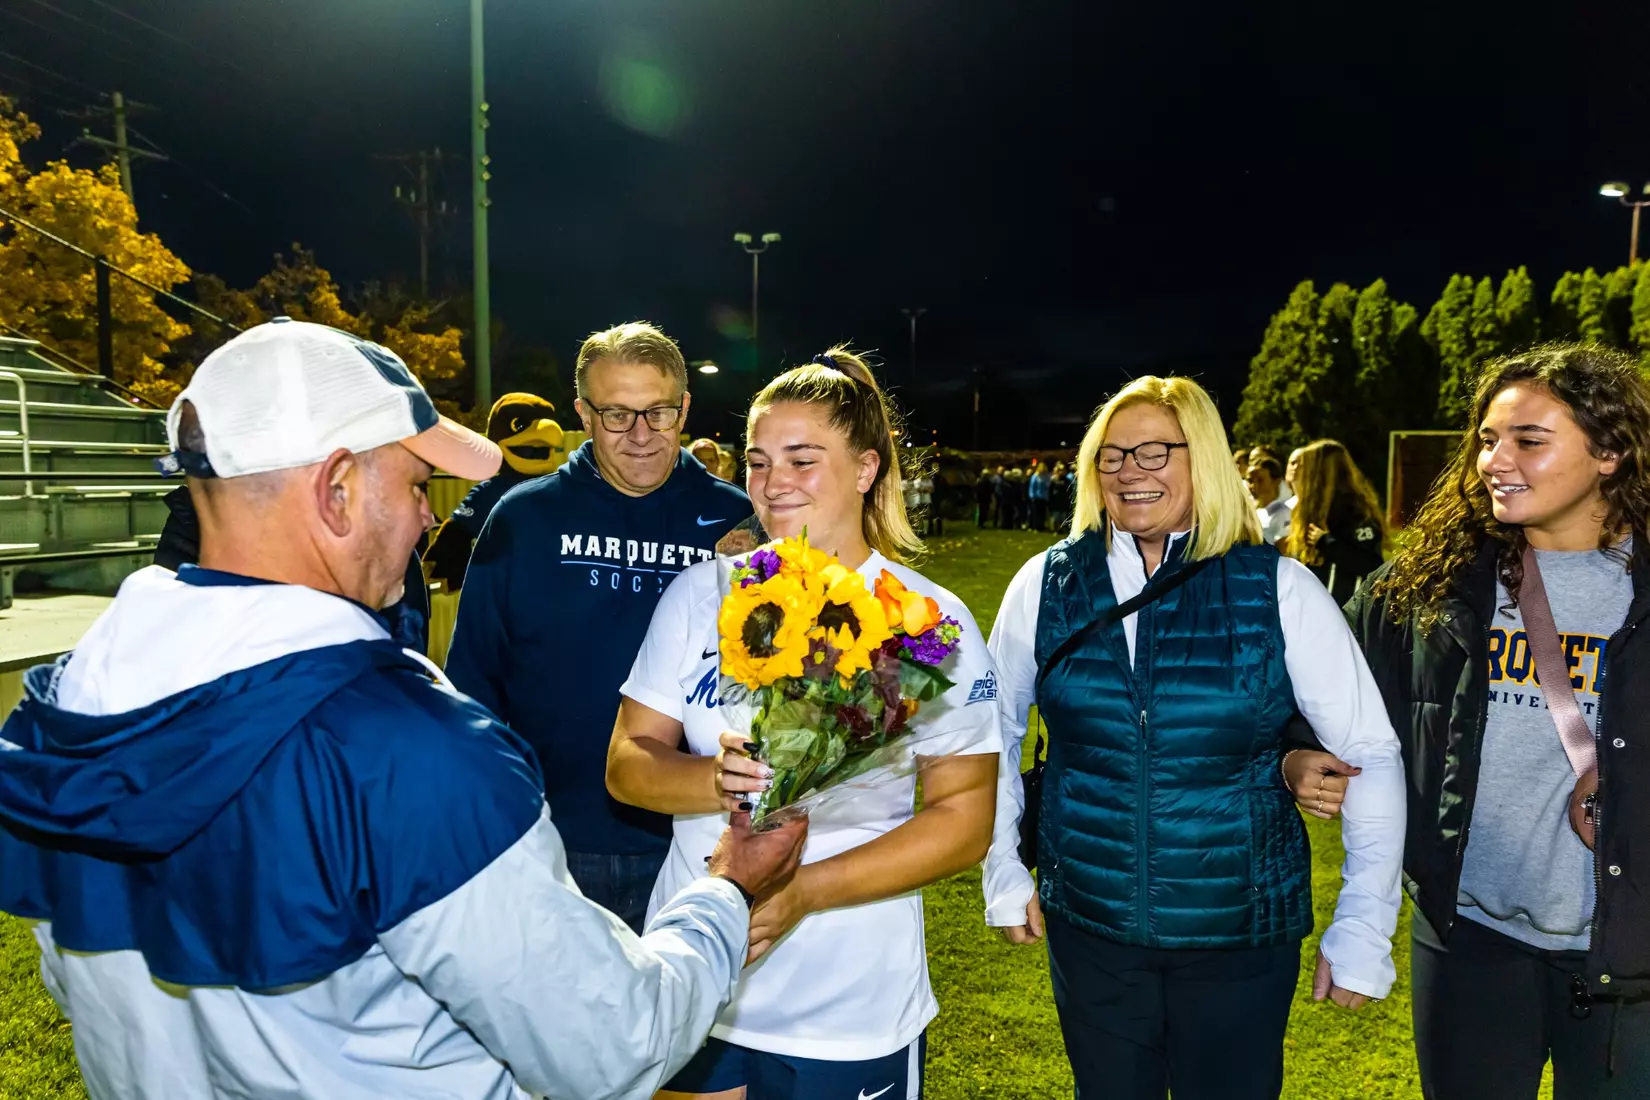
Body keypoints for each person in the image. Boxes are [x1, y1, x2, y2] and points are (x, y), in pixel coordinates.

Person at [0, 319, 809, 1100]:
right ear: (337, 489)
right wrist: (727, 893)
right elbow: (615, 1043)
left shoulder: (68, 703)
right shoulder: (409, 749)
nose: (429, 515)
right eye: (417, 483)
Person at [983, 375, 1406, 1100]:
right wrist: (1001, 865)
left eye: (1154, 453)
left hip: (1239, 938)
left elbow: (1371, 753)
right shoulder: (1046, 582)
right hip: (1093, 929)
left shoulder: (1278, 586)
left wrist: (1365, 925)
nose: (1129, 474)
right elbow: (992, 734)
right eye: (1110, 457)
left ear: (1203, 457)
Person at [606, 347, 1001, 1100]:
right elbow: (627, 761)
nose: (772, 483)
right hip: (695, 979)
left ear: (865, 468)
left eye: (802, 459)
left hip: (846, 1003)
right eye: (757, 461)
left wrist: (806, 891)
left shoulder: (919, 623)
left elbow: (963, 819)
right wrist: (712, 780)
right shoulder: (702, 593)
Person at [1298, 344, 1650, 1097]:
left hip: (1632, 952)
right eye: (1488, 440)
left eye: (1528, 439)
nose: (1495, 459)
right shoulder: (1432, 583)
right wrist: (1295, 753)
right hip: (1470, 938)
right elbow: (1316, 686)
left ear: (1612, 453)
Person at [445, 321, 753, 933]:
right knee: (554, 1027)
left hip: (699, 838)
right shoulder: (524, 519)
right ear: (582, 413)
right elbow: (472, 686)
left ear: (685, 408)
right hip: (551, 841)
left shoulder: (736, 522)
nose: (640, 436)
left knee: (691, 1026)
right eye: (616, 415)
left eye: (658, 413)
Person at [425, 391, 565, 594]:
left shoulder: (559, 488)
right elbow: (459, 531)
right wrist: (445, 564)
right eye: (520, 426)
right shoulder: (492, 492)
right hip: (507, 587)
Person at [1280, 439, 1385, 605]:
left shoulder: (1355, 510)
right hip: (1311, 612)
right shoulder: (1311, 508)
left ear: (1321, 471)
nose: (1301, 470)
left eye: (1307, 465)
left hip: (1345, 615)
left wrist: (1327, 542)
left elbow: (1372, 565)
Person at [1246, 449, 1292, 545]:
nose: (1254, 486)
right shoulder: (1249, 512)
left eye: (1260, 480)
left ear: (1276, 481)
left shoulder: (1285, 513)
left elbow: (1283, 550)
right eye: (1250, 481)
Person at [1048, 460, 1075, 533]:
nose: (1062, 472)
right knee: (1055, 516)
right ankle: (1055, 529)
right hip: (1055, 501)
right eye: (1060, 470)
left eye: (1063, 470)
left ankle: (1061, 529)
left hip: (1063, 501)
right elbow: (1050, 490)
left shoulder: (1067, 480)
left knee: (1063, 517)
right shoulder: (1053, 479)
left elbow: (1069, 491)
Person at [1028, 461, 1051, 531]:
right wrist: (1032, 496)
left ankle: (1041, 526)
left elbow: (1048, 486)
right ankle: (1035, 526)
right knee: (1035, 513)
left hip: (1043, 497)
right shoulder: (1035, 476)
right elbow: (1032, 487)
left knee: (1042, 513)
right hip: (1036, 497)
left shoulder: (1046, 477)